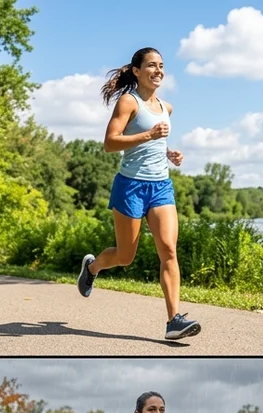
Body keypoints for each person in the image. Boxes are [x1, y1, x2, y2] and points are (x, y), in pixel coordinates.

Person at [77, 47, 201, 342]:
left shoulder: (166, 107)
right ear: (136, 71)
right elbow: (110, 143)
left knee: (169, 250)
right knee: (125, 256)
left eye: (161, 66)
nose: (158, 70)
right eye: (151, 65)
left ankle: (174, 320)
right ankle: (92, 267)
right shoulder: (128, 102)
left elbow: (155, 143)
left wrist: (169, 153)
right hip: (130, 186)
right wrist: (148, 135)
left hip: (161, 186)